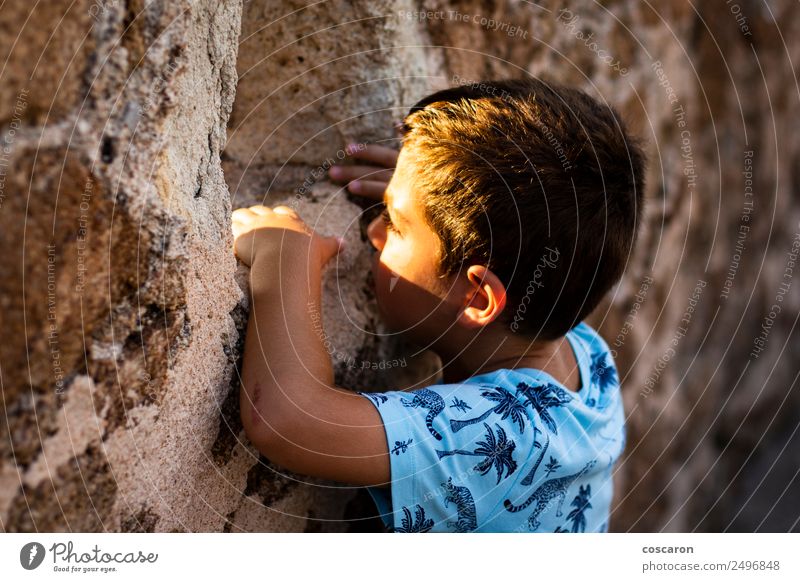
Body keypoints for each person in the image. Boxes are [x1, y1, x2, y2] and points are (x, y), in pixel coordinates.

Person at [231, 78, 646, 532]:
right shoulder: (586, 353)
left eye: (394, 224)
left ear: (477, 296)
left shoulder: (490, 441)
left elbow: (287, 420)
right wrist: (425, 198)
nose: (374, 233)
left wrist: (283, 262)